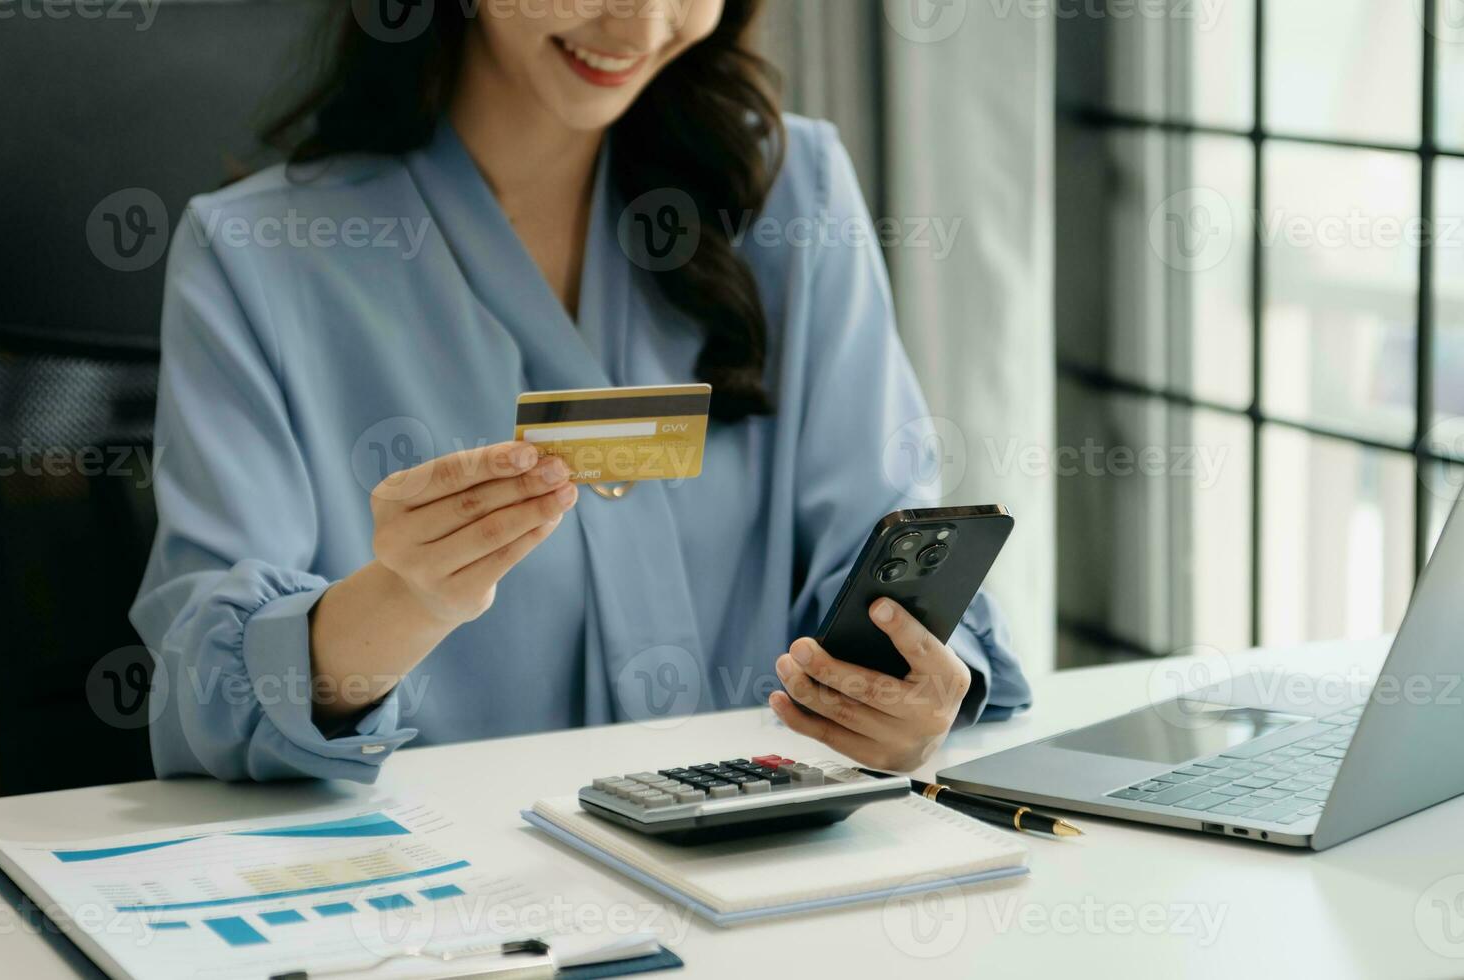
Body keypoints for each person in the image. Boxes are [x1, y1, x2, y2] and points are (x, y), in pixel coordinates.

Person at [130, 0, 1030, 784]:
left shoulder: (793, 189)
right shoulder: (257, 256)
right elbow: (200, 693)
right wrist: (408, 597)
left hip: (767, 863)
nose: (639, 24)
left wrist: (910, 685)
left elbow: (881, 538)